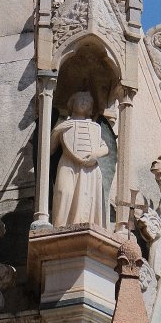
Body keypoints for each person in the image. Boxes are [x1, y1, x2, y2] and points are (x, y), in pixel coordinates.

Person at [50, 91, 109, 227]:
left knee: (84, 197)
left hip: (89, 167)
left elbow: (105, 148)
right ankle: (60, 226)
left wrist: (95, 155)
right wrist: (58, 130)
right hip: (67, 163)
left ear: (90, 108)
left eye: (87, 101)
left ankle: (80, 224)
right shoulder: (63, 124)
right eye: (81, 99)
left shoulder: (95, 127)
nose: (84, 102)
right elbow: (50, 149)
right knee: (63, 192)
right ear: (72, 103)